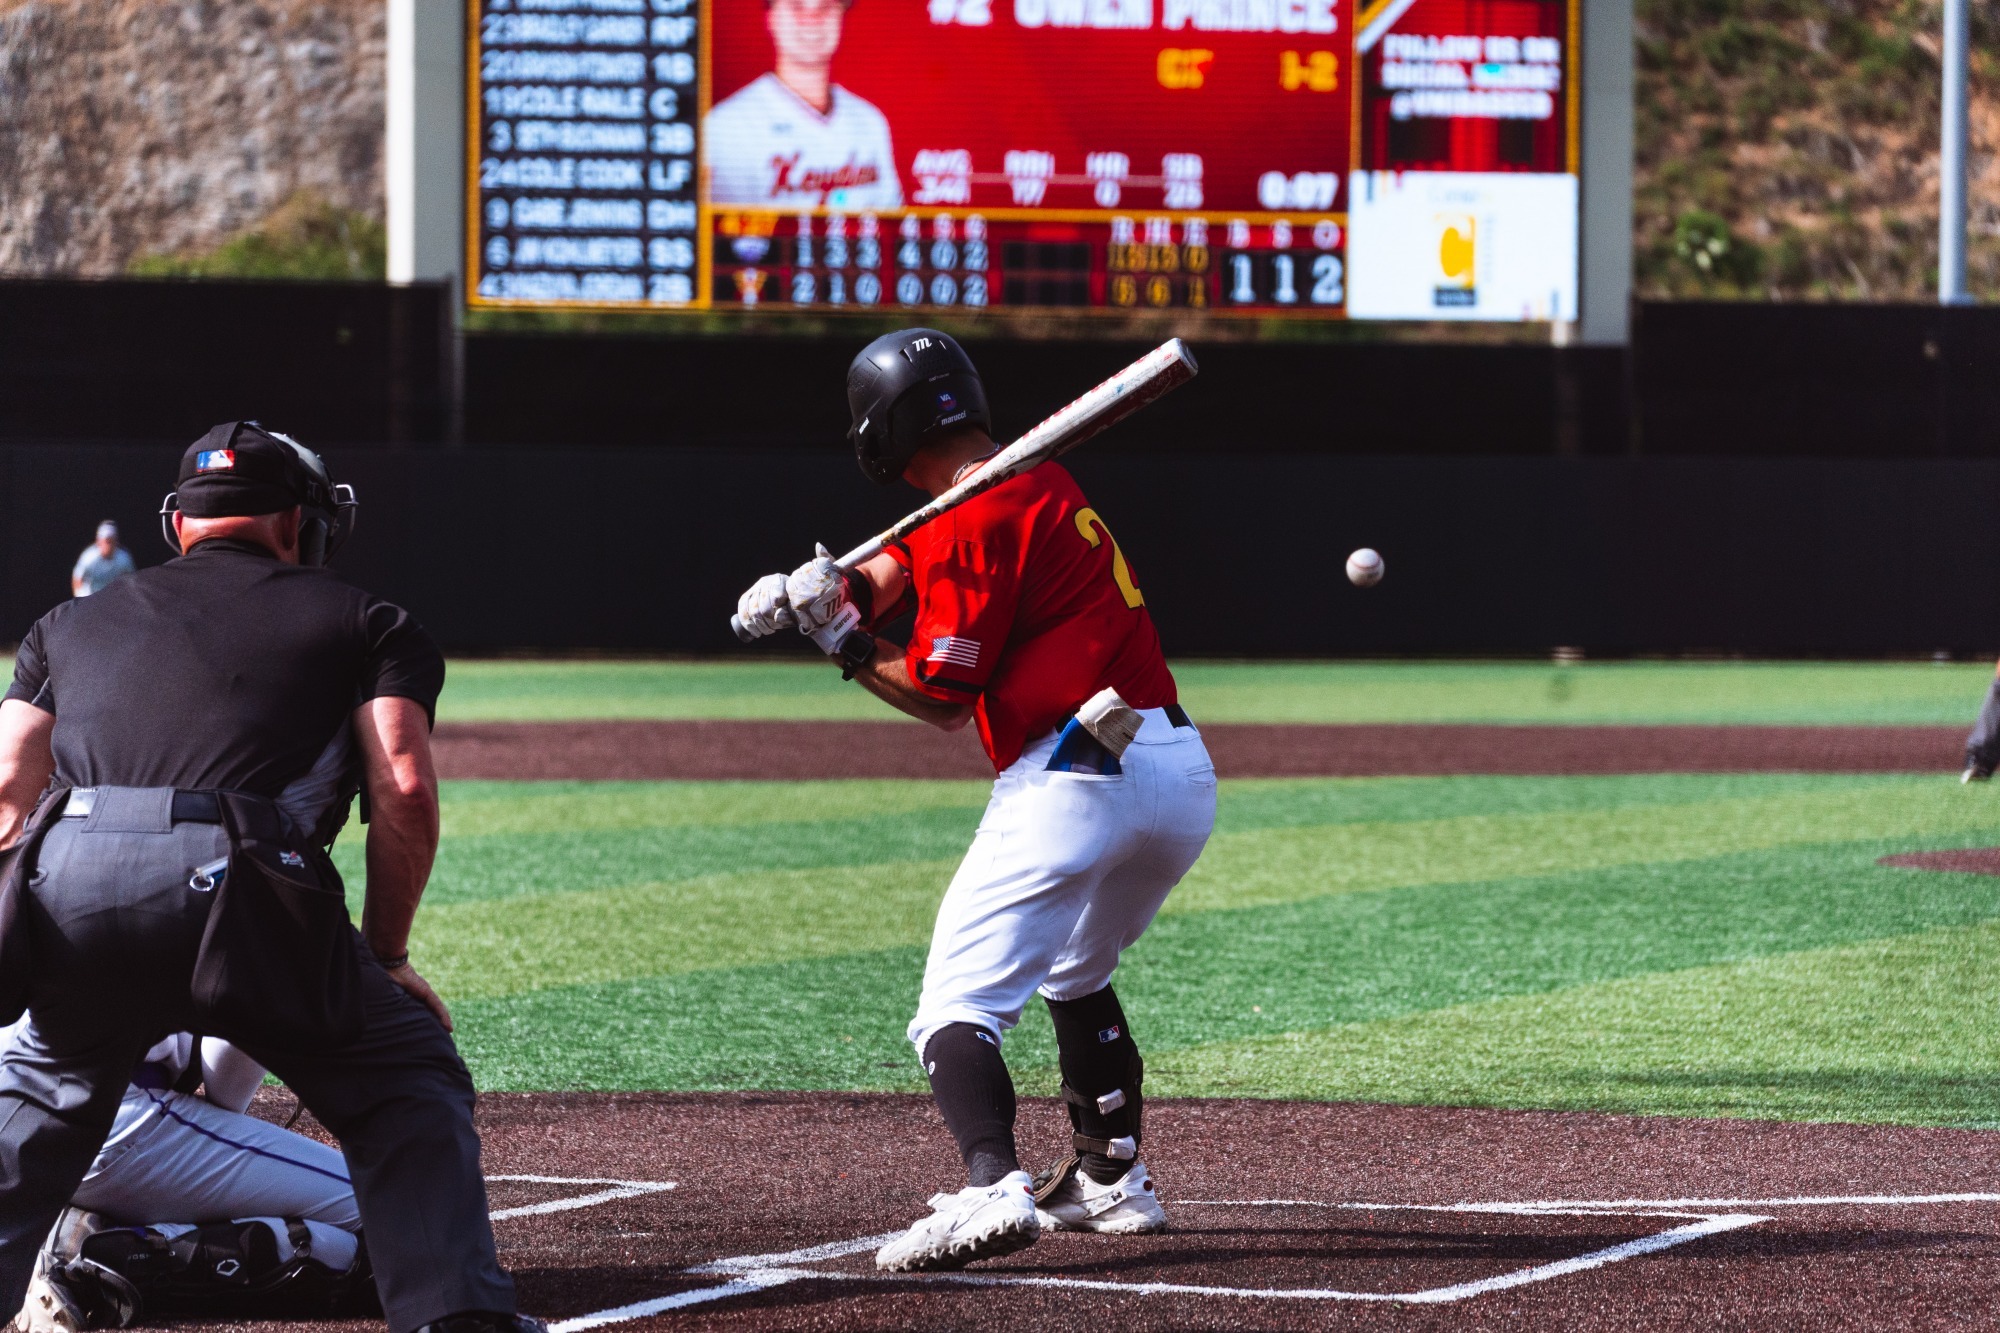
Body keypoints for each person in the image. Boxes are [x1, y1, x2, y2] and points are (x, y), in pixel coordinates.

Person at [0, 422, 532, 1333]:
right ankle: (456, 1317)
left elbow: (9, 797)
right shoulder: (366, 619)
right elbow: (403, 786)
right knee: (406, 1080)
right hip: (241, 878)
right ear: (297, 522)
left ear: (178, 524)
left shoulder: (66, 623)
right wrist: (388, 954)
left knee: (45, 1095)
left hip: (70, 869)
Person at [734, 330, 1217, 1273]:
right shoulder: (1022, 482)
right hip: (1176, 766)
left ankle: (992, 1184)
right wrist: (823, 591)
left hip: (1077, 767)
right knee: (1074, 969)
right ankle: (1110, 1177)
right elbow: (895, 568)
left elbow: (942, 697)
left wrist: (840, 642)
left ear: (883, 429)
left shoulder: (970, 514)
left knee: (955, 1003)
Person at [8, 1024, 372, 1333]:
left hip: (15, 1129)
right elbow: (232, 1038)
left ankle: (57, 1230)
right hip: (110, 1118)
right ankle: (104, 1261)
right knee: (376, 1211)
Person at [704, 0, 903, 209]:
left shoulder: (869, 121)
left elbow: (892, 221)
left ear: (841, 17)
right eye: (796, 6)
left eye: (826, 7)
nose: (812, 19)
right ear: (771, 18)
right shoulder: (726, 127)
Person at [69, 524, 133, 599]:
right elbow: (77, 579)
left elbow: (132, 580)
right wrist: (81, 599)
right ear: (98, 541)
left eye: (111, 541)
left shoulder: (124, 558)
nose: (108, 545)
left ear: (116, 542)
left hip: (114, 597)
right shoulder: (89, 558)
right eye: (106, 541)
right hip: (92, 597)